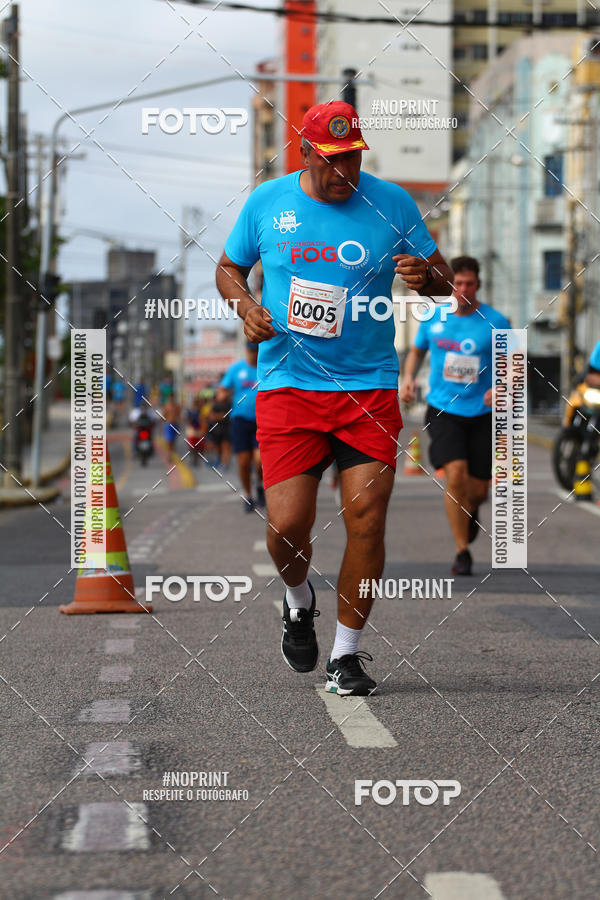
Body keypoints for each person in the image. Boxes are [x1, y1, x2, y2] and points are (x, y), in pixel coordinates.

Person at [216, 100, 452, 695]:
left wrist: (427, 280)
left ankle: (346, 654)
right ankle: (298, 599)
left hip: (368, 387)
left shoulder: (392, 201)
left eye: (351, 159)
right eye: (331, 161)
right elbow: (228, 267)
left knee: (366, 521)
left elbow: (442, 280)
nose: (343, 172)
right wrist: (246, 306)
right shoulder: (267, 202)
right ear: (305, 153)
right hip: (289, 385)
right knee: (288, 524)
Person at [399, 256, 510, 576]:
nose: (462, 289)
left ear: (478, 285)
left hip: (483, 412)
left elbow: (516, 363)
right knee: (455, 474)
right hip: (443, 408)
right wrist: (409, 377)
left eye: (469, 284)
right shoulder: (434, 316)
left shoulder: (496, 321)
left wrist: (502, 387)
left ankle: (471, 510)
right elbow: (418, 350)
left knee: (476, 490)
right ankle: (462, 551)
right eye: (457, 283)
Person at [218, 342, 264, 512]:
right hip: (240, 421)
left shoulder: (265, 367)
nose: (253, 354)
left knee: (259, 462)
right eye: (250, 350)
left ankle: (259, 485)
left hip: (261, 421)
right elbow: (222, 390)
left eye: (256, 350)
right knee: (244, 463)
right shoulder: (236, 369)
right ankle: (248, 494)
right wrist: (223, 394)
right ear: (247, 350)